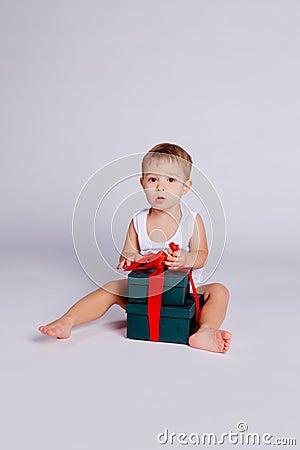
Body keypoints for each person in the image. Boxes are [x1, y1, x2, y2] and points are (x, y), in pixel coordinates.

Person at [39, 143, 232, 353]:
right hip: (147, 292)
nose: (160, 187)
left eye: (170, 180)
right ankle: (67, 321)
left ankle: (205, 331)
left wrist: (186, 259)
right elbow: (128, 252)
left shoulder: (192, 220)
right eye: (153, 179)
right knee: (111, 288)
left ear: (185, 187)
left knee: (219, 291)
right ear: (142, 183)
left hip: (184, 293)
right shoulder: (138, 221)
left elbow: (202, 256)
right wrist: (130, 258)